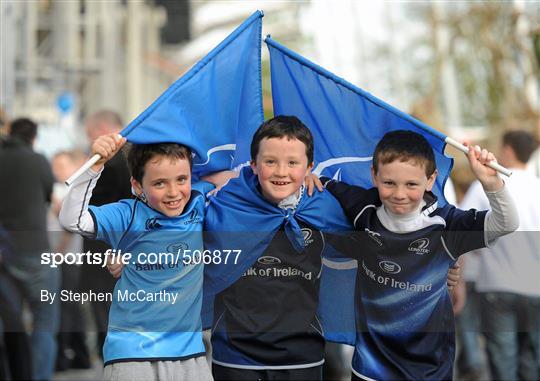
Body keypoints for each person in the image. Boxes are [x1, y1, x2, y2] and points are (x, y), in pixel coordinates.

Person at [202, 117, 461, 381]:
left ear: (309, 166)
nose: (281, 172)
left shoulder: (323, 204)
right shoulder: (224, 201)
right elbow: (175, 211)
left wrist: (438, 264)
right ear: (254, 164)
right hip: (235, 356)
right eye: (270, 162)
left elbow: (383, 241)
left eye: (293, 163)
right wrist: (211, 179)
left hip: (303, 356)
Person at [322, 130, 519, 381]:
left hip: (429, 369)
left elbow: (507, 223)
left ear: (430, 179)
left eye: (411, 184)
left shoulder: (445, 224)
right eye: (389, 183)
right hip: (370, 366)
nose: (399, 194)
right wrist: (310, 180)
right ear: (374, 176)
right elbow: (317, 184)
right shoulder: (362, 207)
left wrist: (491, 183)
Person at [59, 134, 217, 380]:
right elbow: (72, 220)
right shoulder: (126, 215)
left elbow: (232, 176)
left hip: (189, 355)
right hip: (132, 355)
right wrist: (94, 166)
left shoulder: (198, 200)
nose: (174, 192)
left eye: (181, 179)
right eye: (160, 183)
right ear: (137, 186)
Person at [463, 130, 540, 381]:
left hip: (497, 285)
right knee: (532, 361)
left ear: (507, 150)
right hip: (536, 288)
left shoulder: (485, 184)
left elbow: (462, 233)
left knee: (502, 361)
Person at [0, 117, 58, 380]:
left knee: (10, 322)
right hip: (36, 250)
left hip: (4, 253)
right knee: (44, 319)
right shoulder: (38, 160)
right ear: (34, 138)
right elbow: (49, 195)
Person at [81, 110, 132, 360]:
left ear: (102, 129)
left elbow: (85, 207)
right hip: (132, 243)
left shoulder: (107, 161)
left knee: (103, 305)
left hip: (102, 245)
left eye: (91, 135)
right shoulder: (137, 152)